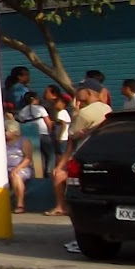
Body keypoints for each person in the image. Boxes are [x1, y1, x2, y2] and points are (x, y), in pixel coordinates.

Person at [48, 85, 112, 216]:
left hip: (83, 157)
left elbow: (71, 141)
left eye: (80, 90)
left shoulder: (84, 113)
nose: (76, 93)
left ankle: (61, 206)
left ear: (87, 92)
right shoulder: (107, 108)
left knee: (59, 175)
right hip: (103, 156)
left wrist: (60, 166)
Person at [15, 90, 53, 176]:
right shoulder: (40, 108)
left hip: (29, 136)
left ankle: (37, 173)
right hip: (43, 133)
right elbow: (48, 122)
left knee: (35, 155)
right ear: (35, 99)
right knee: (50, 154)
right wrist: (50, 131)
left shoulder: (22, 111)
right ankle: (49, 171)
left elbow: (21, 123)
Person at [3, 118, 35, 214]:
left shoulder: (24, 141)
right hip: (5, 169)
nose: (4, 133)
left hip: (21, 168)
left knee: (16, 176)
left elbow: (28, 158)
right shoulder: (1, 142)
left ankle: (20, 204)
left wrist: (17, 168)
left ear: (14, 131)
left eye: (6, 130)